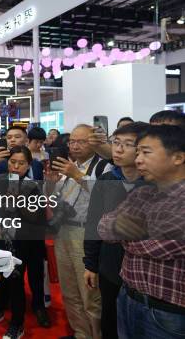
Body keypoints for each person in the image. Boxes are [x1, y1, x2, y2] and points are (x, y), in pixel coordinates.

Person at [98, 125, 185, 339]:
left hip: (167, 313)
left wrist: (123, 233)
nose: (138, 160)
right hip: (127, 297)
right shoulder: (142, 192)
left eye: (146, 152)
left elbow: (158, 245)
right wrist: (123, 228)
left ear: (178, 157)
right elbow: (103, 228)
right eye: (137, 153)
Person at [83, 122, 149, 339]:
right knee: (110, 319)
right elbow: (93, 223)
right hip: (109, 266)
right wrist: (91, 264)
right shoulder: (106, 179)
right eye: (116, 143)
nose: (118, 150)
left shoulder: (153, 182)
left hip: (143, 273)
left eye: (127, 145)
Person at [45, 124, 112, 339]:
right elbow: (54, 202)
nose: (74, 145)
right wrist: (50, 184)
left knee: (90, 294)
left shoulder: (104, 168)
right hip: (63, 231)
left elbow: (104, 198)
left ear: (94, 142)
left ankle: (96, 335)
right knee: (69, 290)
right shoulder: (67, 166)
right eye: (72, 141)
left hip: (85, 234)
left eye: (81, 141)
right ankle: (80, 333)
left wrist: (77, 175)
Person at [0, 146, 48, 339]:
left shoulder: (33, 186)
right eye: (13, 162)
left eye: (21, 163)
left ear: (28, 165)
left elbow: (36, 216)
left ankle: (17, 324)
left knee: (15, 281)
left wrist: (18, 200)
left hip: (21, 241)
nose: (16, 166)